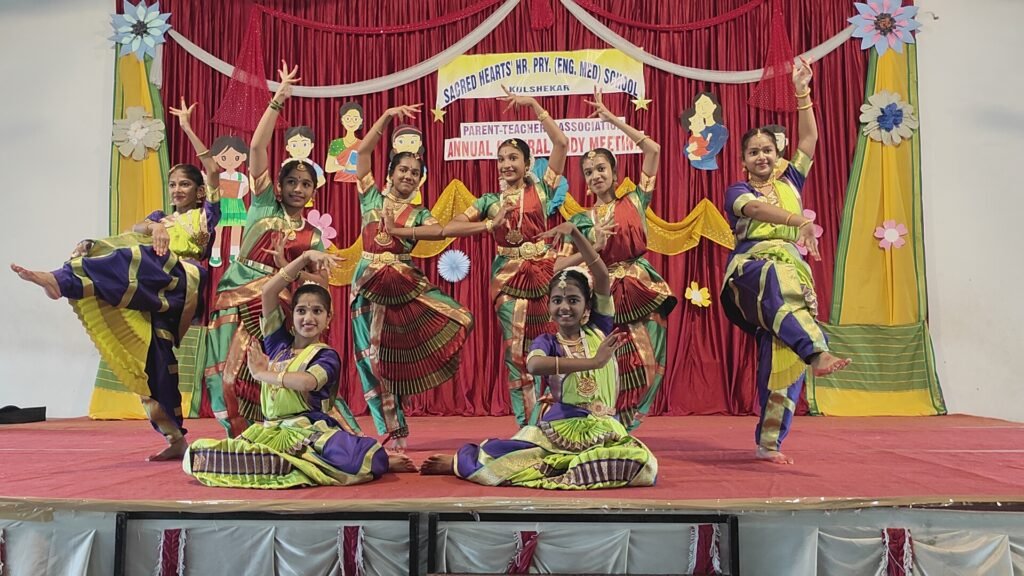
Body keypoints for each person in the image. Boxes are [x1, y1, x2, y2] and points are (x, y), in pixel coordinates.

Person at [11, 99, 221, 461]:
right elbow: (133, 231)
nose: (177, 190)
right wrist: (148, 228)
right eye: (172, 184)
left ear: (199, 191)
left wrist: (187, 128)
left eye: (185, 184)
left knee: (130, 257)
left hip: (183, 281)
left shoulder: (206, 214)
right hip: (155, 290)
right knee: (154, 360)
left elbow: (213, 170)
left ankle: (63, 281)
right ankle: (174, 437)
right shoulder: (161, 217)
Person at [421, 223, 658, 489]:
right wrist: (593, 362)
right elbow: (534, 365)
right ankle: (461, 462)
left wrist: (575, 234)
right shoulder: (548, 341)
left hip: (605, 428)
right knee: (508, 457)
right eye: (557, 300)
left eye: (573, 300)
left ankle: (570, 466)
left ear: (587, 307)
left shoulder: (599, 328)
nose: (564, 307)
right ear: (549, 306)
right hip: (562, 427)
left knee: (643, 465)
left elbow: (602, 276)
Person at [183, 251, 416, 488]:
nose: (308, 318)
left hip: (309, 433)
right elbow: (268, 291)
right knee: (197, 455)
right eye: (301, 310)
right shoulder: (278, 345)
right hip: (269, 432)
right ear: (292, 315)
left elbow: (307, 382)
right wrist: (304, 259)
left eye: (317, 311)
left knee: (365, 455)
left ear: (328, 318)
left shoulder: (326, 355)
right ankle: (283, 463)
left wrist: (263, 374)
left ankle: (281, 463)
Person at [720, 58, 851, 465]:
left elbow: (809, 137)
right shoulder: (736, 190)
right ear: (743, 160)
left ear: (778, 156)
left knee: (782, 357)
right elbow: (755, 210)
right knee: (774, 276)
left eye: (768, 150)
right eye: (753, 152)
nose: (761, 156)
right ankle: (817, 351)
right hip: (750, 272)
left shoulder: (791, 180)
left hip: (793, 275)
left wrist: (802, 91)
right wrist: (799, 222)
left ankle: (769, 443)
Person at [203, 62, 327, 437]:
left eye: (305, 184)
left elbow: (319, 286)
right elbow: (257, 147)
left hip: (274, 310)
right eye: (291, 182)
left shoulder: (312, 236)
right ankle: (236, 436)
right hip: (236, 295)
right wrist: (277, 101)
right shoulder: (263, 204)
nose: (297, 189)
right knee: (224, 374)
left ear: (313, 191)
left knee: (263, 375)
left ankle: (264, 435)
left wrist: (290, 267)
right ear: (279, 185)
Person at [350, 105, 474, 452]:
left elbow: (439, 231)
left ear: (420, 180)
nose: (408, 175)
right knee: (372, 359)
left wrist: (400, 230)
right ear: (390, 172)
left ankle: (400, 415)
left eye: (415, 172)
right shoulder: (371, 197)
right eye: (402, 169)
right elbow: (362, 152)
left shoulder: (419, 213)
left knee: (456, 321)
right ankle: (392, 430)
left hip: (403, 284)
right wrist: (387, 116)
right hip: (367, 284)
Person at [443, 86, 569, 427]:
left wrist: (535, 105)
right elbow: (451, 226)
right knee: (517, 352)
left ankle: (558, 420)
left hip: (545, 275)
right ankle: (527, 425)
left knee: (553, 345)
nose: (506, 164)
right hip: (508, 279)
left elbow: (561, 144)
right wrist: (489, 224)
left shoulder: (542, 188)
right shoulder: (488, 201)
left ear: (528, 163)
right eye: (501, 159)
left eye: (513, 158)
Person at [555, 89, 675, 431]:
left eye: (601, 168)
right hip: (603, 293)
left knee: (649, 364)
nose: (596, 175)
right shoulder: (580, 220)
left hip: (641, 287)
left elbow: (653, 150)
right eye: (589, 171)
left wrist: (611, 119)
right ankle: (605, 425)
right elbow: (558, 267)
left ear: (614, 171)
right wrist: (591, 246)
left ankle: (628, 426)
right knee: (609, 363)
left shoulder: (635, 200)